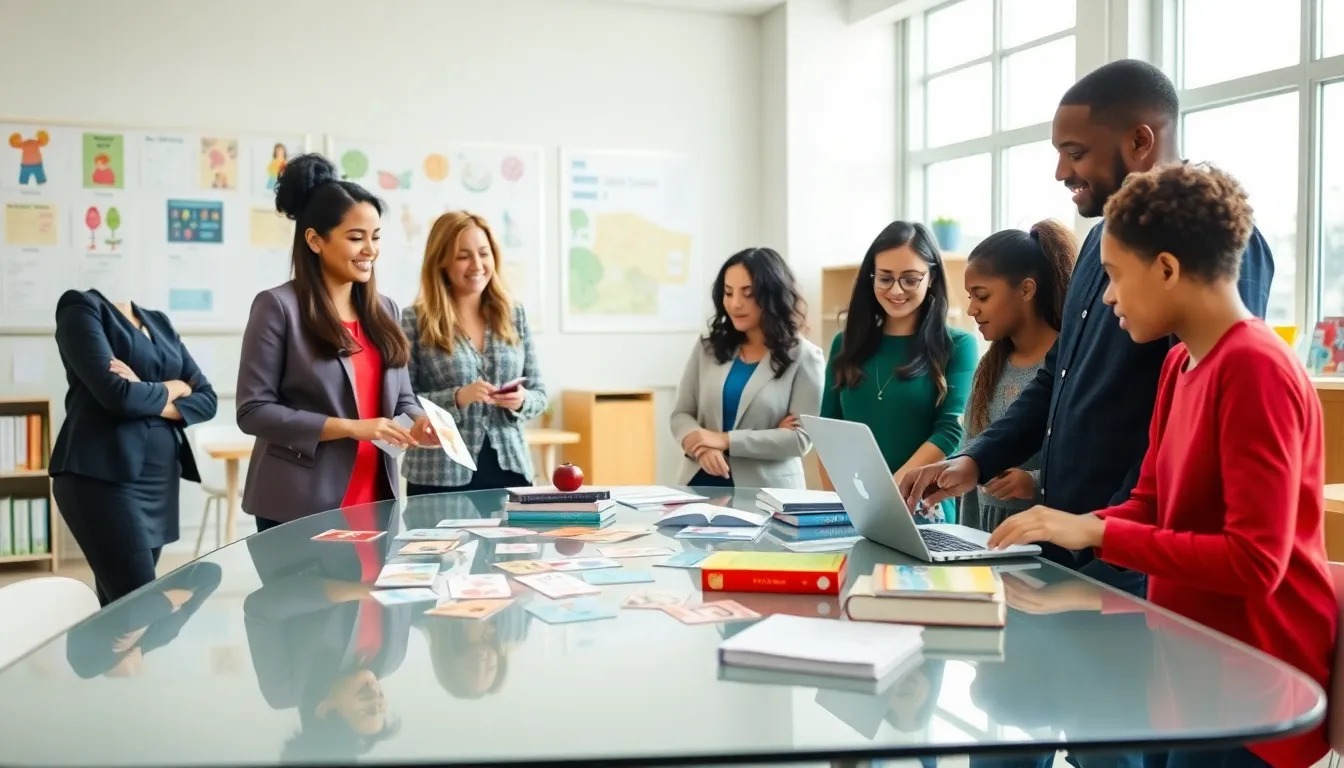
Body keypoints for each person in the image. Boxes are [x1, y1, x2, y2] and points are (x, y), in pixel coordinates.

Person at [988, 162, 1335, 768]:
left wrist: (1093, 530)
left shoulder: (1256, 369)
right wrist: (1059, 529)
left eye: (1116, 277)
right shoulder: (1179, 367)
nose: (1111, 296)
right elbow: (1148, 504)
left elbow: (1256, 563)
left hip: (1255, 681)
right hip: (1190, 660)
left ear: (1168, 269)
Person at [901, 59, 1274, 578]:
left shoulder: (1219, 248)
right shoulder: (1101, 238)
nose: (1061, 172)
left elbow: (1198, 436)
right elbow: (1059, 375)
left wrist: (1109, 543)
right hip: (1077, 540)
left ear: (1140, 141)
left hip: (1132, 558)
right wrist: (978, 459)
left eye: (1075, 153)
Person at [237, 153, 435, 532]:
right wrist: (350, 427)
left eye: (375, 237)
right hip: (300, 503)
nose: (370, 250)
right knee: (307, 596)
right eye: (355, 238)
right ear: (315, 240)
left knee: (369, 594)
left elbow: (402, 399)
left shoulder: (386, 310)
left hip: (377, 496)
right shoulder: (277, 306)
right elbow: (253, 411)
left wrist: (420, 423)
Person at [50, 289, 218, 606]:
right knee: (140, 604)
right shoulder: (81, 308)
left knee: (120, 607)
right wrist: (176, 387)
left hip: (159, 481)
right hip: (102, 477)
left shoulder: (159, 322)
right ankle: (115, 649)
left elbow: (207, 400)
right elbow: (119, 397)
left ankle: (103, 655)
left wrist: (144, 390)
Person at [822, 221, 978, 523]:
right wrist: (836, 505)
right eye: (885, 278)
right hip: (852, 509)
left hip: (921, 507)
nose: (896, 290)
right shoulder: (845, 344)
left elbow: (950, 431)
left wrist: (891, 493)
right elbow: (828, 432)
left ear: (931, 277)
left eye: (910, 279)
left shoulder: (958, 345)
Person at [243, 505, 408, 763]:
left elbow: (259, 610)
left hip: (304, 517)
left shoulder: (285, 689)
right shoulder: (393, 658)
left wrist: (351, 591)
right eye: (381, 709)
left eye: (366, 710)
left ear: (325, 710)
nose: (377, 699)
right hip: (375, 513)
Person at [401, 211, 546, 495]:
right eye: (463, 256)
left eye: (484, 253)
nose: (477, 265)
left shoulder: (513, 314)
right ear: (441, 260)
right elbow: (403, 402)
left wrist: (521, 400)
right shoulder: (414, 320)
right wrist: (457, 397)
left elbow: (539, 393)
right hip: (438, 475)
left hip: (511, 470)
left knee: (514, 541)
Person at [670, 247, 824, 490]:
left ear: (772, 296)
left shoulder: (805, 357)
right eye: (728, 293)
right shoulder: (707, 348)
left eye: (748, 294)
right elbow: (681, 415)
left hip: (768, 493)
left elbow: (800, 439)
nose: (735, 304)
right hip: (699, 486)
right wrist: (703, 447)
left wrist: (723, 440)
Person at [960, 220, 1077, 533]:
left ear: (1026, 289)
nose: (972, 309)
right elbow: (970, 454)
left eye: (982, 296)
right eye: (970, 297)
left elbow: (1084, 461)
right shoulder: (988, 369)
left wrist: (1034, 483)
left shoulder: (1068, 367)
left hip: (1044, 542)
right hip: (984, 542)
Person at [66, 560, 221, 678]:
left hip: (101, 593)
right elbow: (211, 575)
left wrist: (172, 599)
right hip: (131, 584)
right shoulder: (161, 636)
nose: (139, 672)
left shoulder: (88, 662)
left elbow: (129, 616)